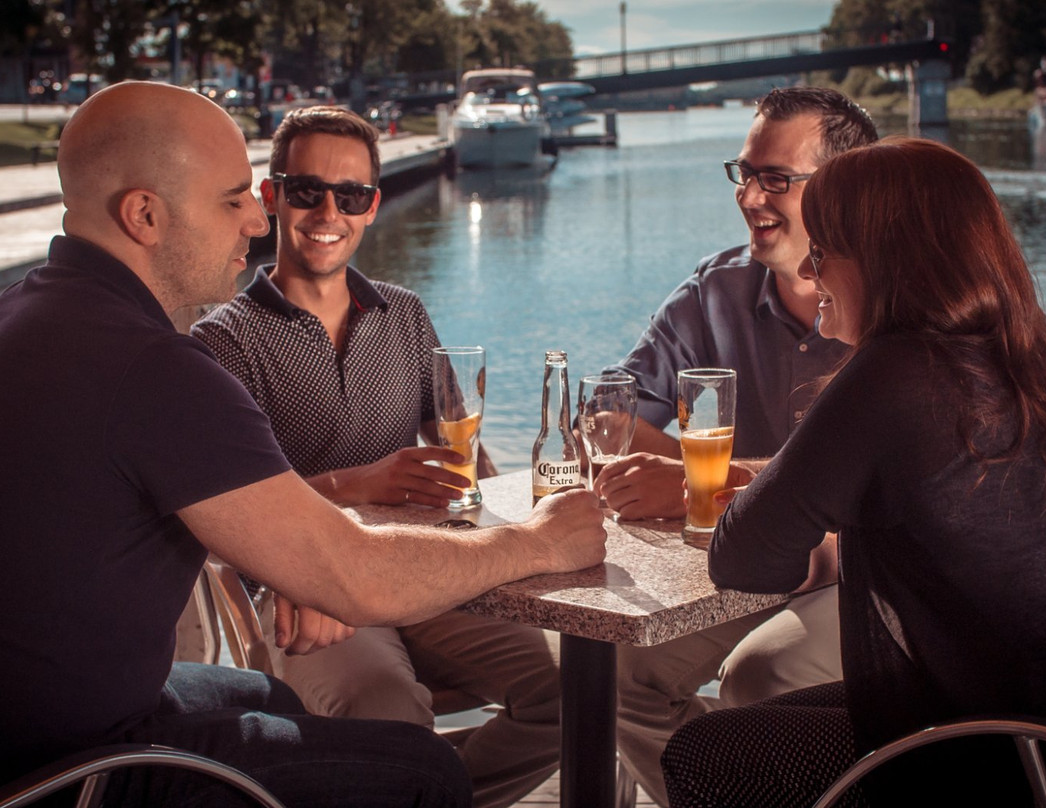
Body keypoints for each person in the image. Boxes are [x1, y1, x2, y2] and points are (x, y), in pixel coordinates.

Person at [0, 81, 606, 807]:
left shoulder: (27, 315)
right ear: (145, 215)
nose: (257, 221)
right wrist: (538, 542)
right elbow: (350, 575)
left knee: (274, 702)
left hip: (50, 718)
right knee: (425, 772)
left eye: (351, 196)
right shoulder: (155, 368)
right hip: (70, 769)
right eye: (234, 200)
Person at [661, 137, 1046, 807]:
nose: (809, 271)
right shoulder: (1037, 369)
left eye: (824, 250)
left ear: (886, 261)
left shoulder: (895, 375)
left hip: (983, 761)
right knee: (768, 706)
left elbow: (744, 558)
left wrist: (772, 496)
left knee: (704, 755)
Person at [191, 105, 561, 808]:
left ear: (372, 206)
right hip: (308, 592)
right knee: (386, 712)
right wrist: (359, 484)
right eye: (307, 190)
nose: (328, 213)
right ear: (271, 196)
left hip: (423, 572)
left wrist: (498, 518)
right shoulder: (221, 343)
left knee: (575, 690)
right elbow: (229, 515)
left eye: (351, 195)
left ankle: (434, 795)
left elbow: (462, 451)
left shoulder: (406, 314)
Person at [604, 87, 878, 806]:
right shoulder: (715, 290)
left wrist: (707, 480)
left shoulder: (905, 300)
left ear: (846, 187)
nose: (749, 196)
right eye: (745, 173)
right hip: (756, 560)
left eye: (775, 179)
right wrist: (693, 481)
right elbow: (609, 413)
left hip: (870, 571)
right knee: (618, 675)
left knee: (759, 676)